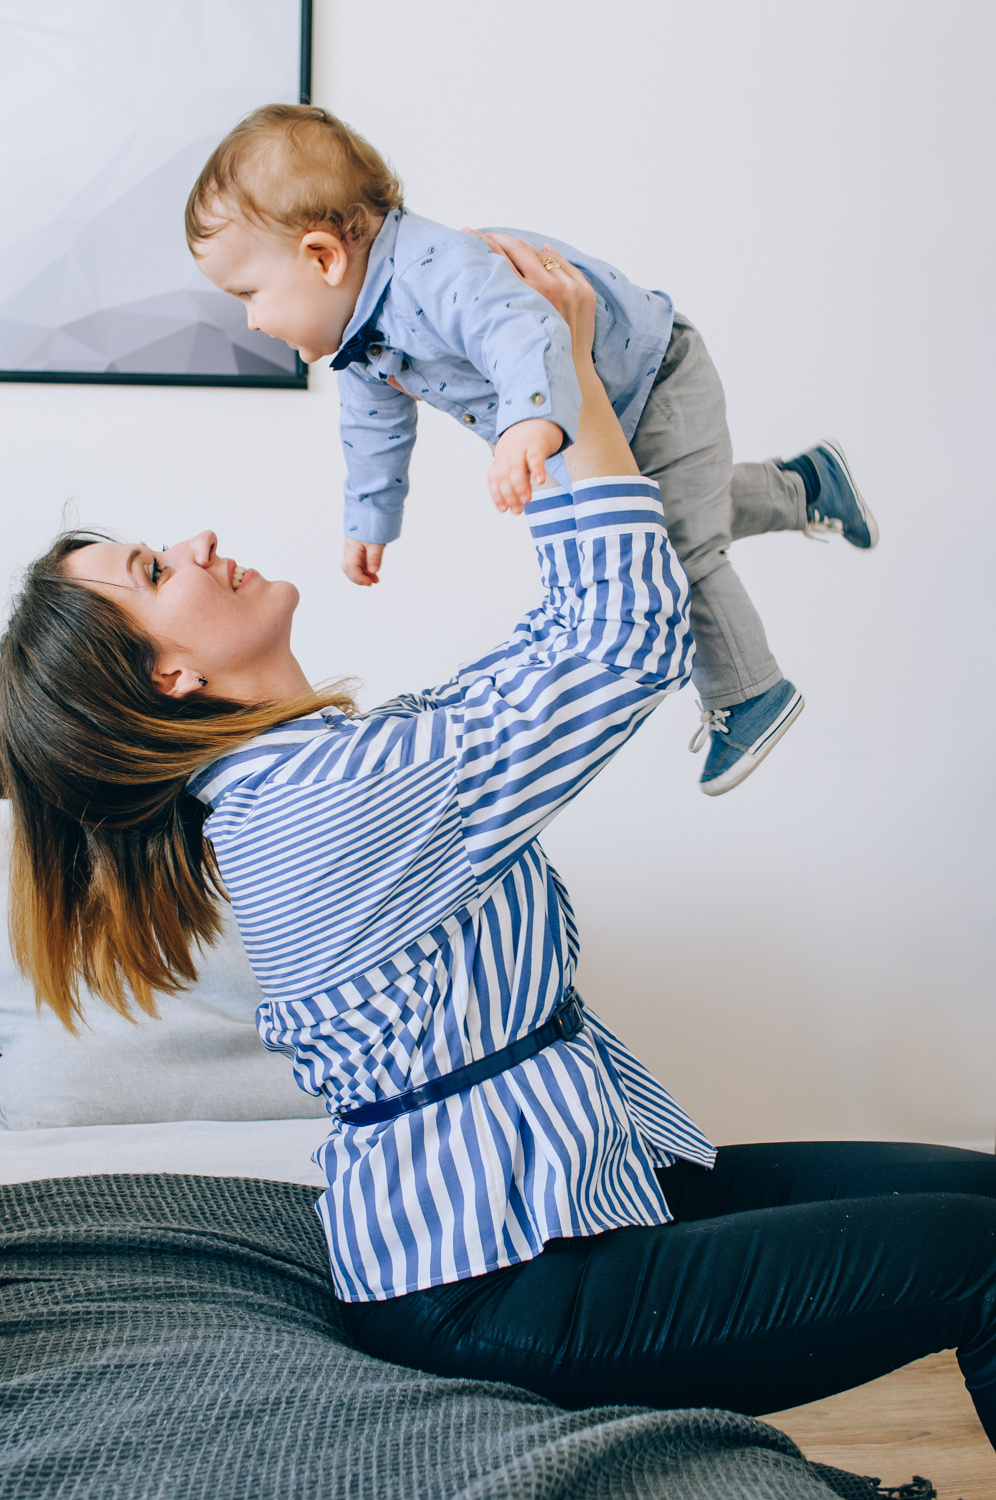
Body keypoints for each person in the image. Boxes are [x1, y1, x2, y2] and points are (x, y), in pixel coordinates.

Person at [1, 244, 993, 1446]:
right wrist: (561, 375)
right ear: (172, 675)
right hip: (499, 1286)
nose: (198, 541)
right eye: (156, 570)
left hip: (584, 1191)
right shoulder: (327, 803)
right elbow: (618, 647)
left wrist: (556, 408)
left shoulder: (319, 768)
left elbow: (557, 640)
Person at [184, 103, 879, 798]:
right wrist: (369, 523)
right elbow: (373, 430)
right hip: (602, 410)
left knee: (667, 545)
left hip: (652, 378)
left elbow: (520, 328)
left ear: (322, 257)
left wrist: (528, 423)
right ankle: (807, 486)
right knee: (682, 503)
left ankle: (752, 691)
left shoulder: (435, 271)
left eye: (249, 293)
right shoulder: (364, 343)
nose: (251, 319)